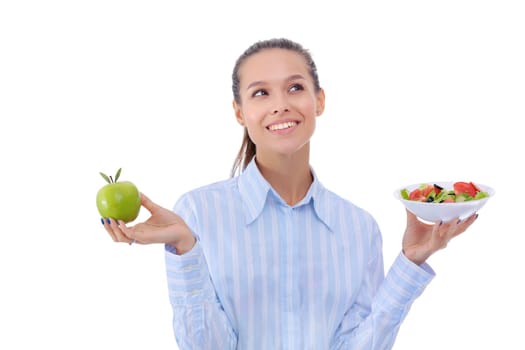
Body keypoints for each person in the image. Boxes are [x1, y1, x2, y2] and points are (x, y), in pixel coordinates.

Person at [102, 38, 479, 349]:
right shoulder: (198, 213)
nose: (280, 103)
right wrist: (186, 248)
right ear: (239, 112)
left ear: (320, 101)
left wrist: (410, 263)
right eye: (261, 92)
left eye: (295, 87)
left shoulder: (358, 227)